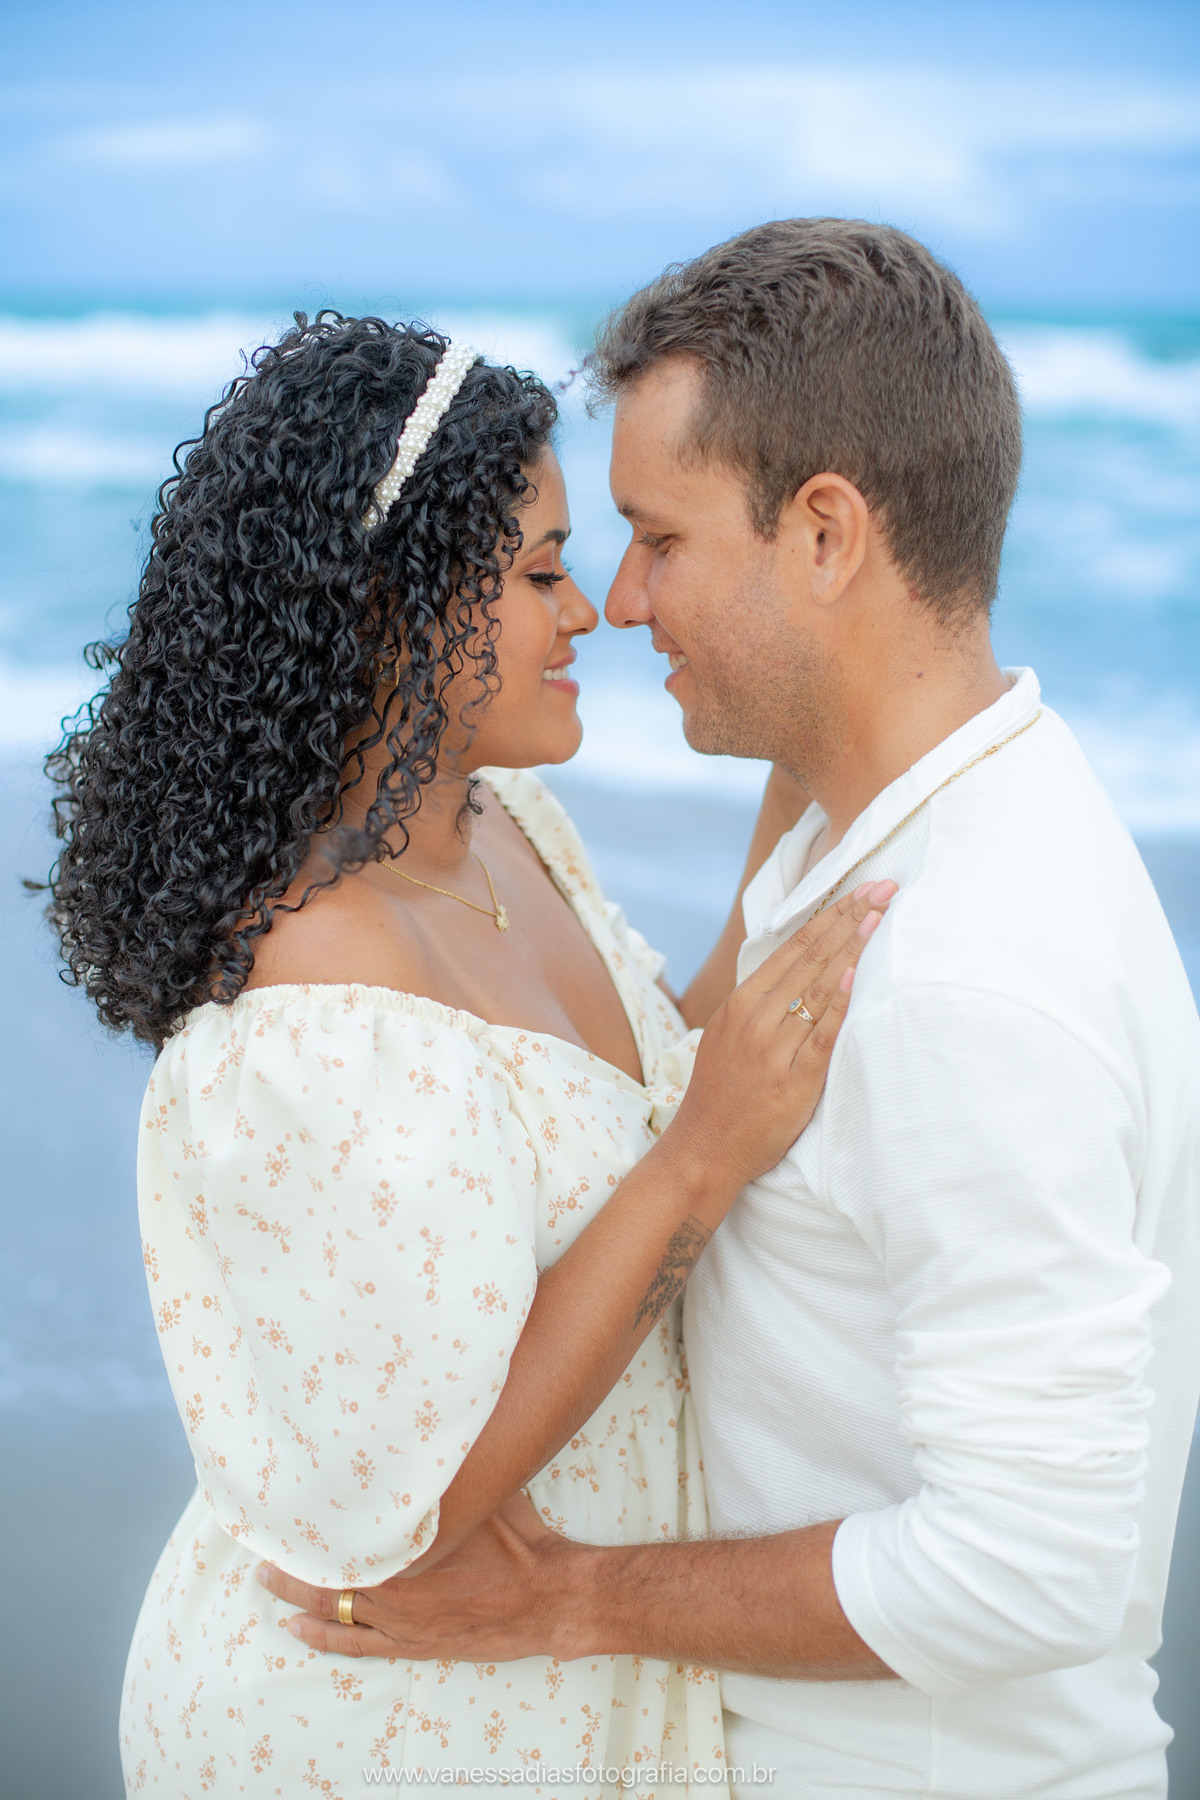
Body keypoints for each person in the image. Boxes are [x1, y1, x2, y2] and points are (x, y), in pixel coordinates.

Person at [259, 223, 1200, 1800]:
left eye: (659, 539)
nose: (619, 603)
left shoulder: (969, 968)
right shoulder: (883, 823)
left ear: (825, 534)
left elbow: (1037, 1571)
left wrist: (572, 1600)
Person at [42, 312, 892, 1797]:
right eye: (541, 570)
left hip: (550, 1682)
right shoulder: (318, 1000)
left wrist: (801, 782)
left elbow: (627, 1095)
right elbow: (410, 1508)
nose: (592, 615)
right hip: (381, 1729)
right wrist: (709, 1159)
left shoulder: (500, 828)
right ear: (383, 603)